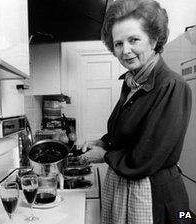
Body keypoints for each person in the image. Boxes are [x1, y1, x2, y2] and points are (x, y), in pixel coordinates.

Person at [81, 0, 194, 223]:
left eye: (134, 40)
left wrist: (104, 156)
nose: (126, 50)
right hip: (128, 188)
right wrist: (104, 142)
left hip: (153, 195)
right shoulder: (133, 83)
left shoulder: (172, 85)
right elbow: (130, 132)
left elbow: (146, 158)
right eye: (118, 43)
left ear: (153, 39)